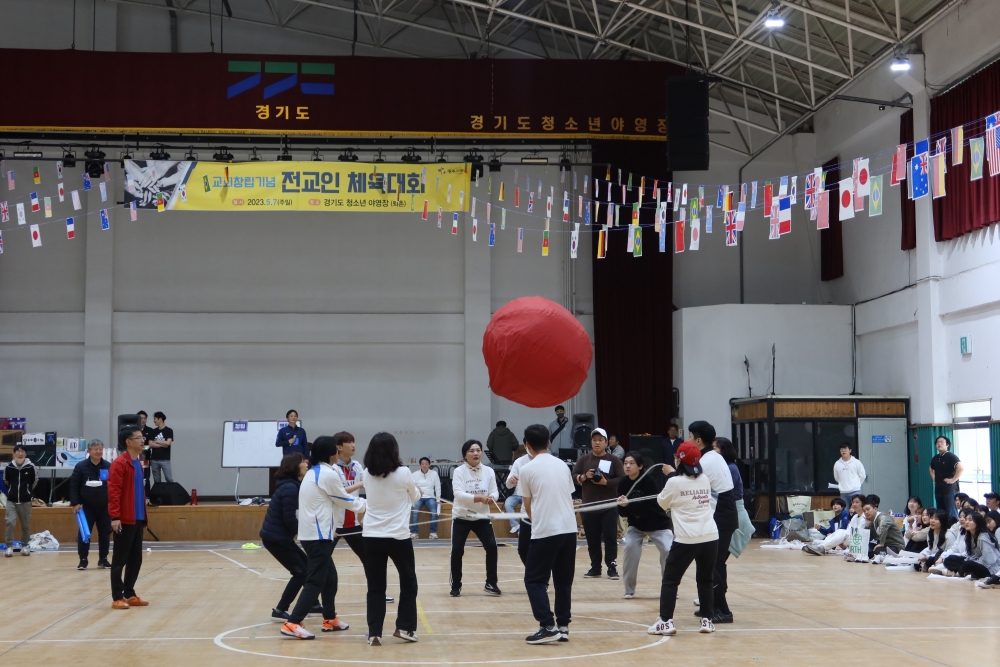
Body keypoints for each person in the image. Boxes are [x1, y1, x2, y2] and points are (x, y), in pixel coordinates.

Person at [280, 436, 365, 640]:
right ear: (332, 453)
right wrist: (371, 506)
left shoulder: (314, 472)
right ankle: (293, 622)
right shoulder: (327, 474)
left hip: (317, 534)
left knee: (330, 578)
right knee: (316, 580)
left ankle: (329, 618)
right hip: (317, 536)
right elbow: (344, 499)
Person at [648, 441, 718, 636]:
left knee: (670, 580)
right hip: (710, 537)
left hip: (687, 539)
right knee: (705, 580)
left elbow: (662, 503)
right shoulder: (704, 478)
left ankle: (665, 622)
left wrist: (671, 474)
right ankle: (707, 620)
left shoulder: (673, 481)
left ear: (678, 459)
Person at [519, 424, 577, 644]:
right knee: (563, 580)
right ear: (549, 442)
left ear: (527, 445)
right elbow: (568, 495)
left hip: (546, 531)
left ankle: (547, 625)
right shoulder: (562, 465)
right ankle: (563, 626)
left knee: (534, 579)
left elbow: (528, 506)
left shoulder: (527, 470)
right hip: (569, 529)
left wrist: (540, 523)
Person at [361, 432, 421, 646]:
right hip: (398, 537)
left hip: (371, 537)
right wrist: (417, 491)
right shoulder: (404, 472)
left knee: (375, 586)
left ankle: (374, 632)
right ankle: (405, 627)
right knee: (409, 582)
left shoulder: (367, 473)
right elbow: (415, 497)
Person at [327, 432, 395, 604]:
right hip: (335, 524)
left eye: (353, 441)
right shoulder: (333, 469)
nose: (353, 445)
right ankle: (313, 600)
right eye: (348, 442)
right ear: (339, 447)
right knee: (321, 561)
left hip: (354, 524)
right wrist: (361, 483)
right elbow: (340, 493)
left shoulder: (358, 466)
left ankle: (378, 592)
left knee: (370, 561)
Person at [686, 421, 737, 624]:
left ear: (698, 440)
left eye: (690, 436)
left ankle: (723, 610)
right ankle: (712, 605)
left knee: (712, 564)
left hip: (721, 515)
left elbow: (688, 483)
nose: (688, 440)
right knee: (713, 563)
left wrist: (671, 473)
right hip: (723, 512)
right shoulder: (712, 456)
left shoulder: (706, 460)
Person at [260, 453, 315, 621]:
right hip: (276, 539)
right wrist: (308, 533)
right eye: (302, 462)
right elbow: (289, 519)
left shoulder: (292, 485)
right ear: (294, 467)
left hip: (281, 537)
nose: (306, 464)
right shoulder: (290, 488)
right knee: (300, 572)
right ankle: (280, 609)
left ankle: (312, 603)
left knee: (306, 567)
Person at [617, 452, 673, 599]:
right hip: (636, 526)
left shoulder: (649, 481)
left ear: (640, 466)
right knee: (629, 548)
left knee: (668, 550)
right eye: (625, 463)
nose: (628, 466)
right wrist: (622, 505)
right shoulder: (623, 483)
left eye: (631, 463)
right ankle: (629, 590)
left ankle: (670, 587)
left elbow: (652, 509)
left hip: (659, 525)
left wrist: (629, 504)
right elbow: (623, 514)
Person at [450, 439, 501, 597]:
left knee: (492, 547)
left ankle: (491, 583)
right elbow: (458, 495)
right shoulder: (459, 472)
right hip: (462, 517)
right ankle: (456, 585)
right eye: (471, 451)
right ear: (465, 455)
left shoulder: (489, 471)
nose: (476, 453)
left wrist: (492, 497)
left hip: (482, 517)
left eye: (478, 450)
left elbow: (495, 491)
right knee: (457, 551)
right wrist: (480, 498)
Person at [573, 428, 625, 579]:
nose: (597, 443)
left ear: (606, 442)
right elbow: (573, 476)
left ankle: (612, 566)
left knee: (610, 537)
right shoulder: (583, 460)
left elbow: (622, 479)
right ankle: (595, 567)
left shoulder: (613, 460)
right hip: (589, 506)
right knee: (592, 539)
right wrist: (583, 477)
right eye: (594, 440)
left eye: (600, 440)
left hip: (608, 506)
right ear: (591, 442)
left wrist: (606, 482)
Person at [108, 427, 149, 608]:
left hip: (137, 518)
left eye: (142, 438)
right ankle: (117, 597)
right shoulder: (120, 463)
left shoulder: (138, 463)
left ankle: (129, 593)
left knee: (135, 559)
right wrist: (115, 517)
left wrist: (144, 518)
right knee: (119, 560)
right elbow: (114, 492)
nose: (142, 440)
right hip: (124, 519)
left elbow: (139, 493)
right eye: (138, 438)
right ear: (128, 442)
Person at [70, 439, 112, 569]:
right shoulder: (80, 466)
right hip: (85, 506)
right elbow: (74, 486)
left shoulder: (108, 466)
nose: (98, 451)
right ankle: (83, 559)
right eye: (95, 449)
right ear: (89, 451)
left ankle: (103, 559)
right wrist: (75, 503)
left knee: (105, 533)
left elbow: (112, 485)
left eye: (100, 449)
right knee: (84, 534)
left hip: (104, 506)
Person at [942, 512, 1000, 580]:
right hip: (976, 562)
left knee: (968, 564)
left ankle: (959, 572)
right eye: (966, 519)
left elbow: (989, 560)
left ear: (978, 523)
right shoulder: (969, 536)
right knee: (949, 559)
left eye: (970, 520)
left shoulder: (983, 537)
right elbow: (972, 555)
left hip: (989, 568)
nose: (966, 522)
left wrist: (972, 562)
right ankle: (963, 572)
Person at [3, 443, 37, 556]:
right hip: (11, 500)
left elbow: (34, 481)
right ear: (14, 453)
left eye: (23, 452)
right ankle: (9, 547)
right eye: (18, 451)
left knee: (26, 525)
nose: (20, 453)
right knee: (10, 522)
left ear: (25, 454)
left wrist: (27, 492)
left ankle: (25, 546)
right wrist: (12, 491)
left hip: (25, 501)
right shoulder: (9, 467)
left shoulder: (31, 467)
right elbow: (6, 481)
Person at [862, 494, 905, 561]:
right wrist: (867, 526)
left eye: (868, 509)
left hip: (896, 546)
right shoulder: (873, 520)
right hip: (885, 545)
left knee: (878, 551)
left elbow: (883, 526)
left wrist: (881, 543)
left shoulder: (883, 517)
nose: (866, 512)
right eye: (864, 511)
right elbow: (868, 537)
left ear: (875, 508)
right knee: (865, 548)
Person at [930, 436, 963, 519]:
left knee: (951, 512)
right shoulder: (936, 458)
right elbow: (931, 467)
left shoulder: (951, 456)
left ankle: (953, 530)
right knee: (940, 513)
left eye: (941, 442)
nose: (939, 444)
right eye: (937, 442)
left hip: (950, 489)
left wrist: (953, 480)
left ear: (947, 444)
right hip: (939, 488)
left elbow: (961, 468)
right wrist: (934, 478)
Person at [411, 457, 440, 539]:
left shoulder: (434, 474)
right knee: (414, 511)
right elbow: (411, 487)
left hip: (430, 497)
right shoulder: (414, 474)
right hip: (418, 497)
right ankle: (414, 533)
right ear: (420, 465)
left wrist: (438, 500)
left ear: (429, 464)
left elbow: (437, 487)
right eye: (423, 464)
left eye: (426, 464)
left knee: (434, 511)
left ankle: (433, 532)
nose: (424, 465)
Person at [504, 449, 532, 537]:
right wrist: (511, 481)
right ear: (526, 446)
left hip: (532, 496)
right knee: (508, 503)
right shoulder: (519, 462)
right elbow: (508, 485)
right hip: (517, 494)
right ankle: (515, 525)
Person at [833, 443, 866, 508]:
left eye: (845, 449)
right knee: (845, 511)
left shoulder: (856, 462)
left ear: (850, 450)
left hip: (855, 491)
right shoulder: (837, 464)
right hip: (843, 492)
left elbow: (862, 475)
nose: (843, 451)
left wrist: (856, 485)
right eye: (841, 449)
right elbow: (836, 477)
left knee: (856, 510)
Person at [148, 411, 174, 484]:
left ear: (160, 419)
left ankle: (170, 494)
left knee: (169, 478)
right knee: (157, 480)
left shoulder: (169, 431)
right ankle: (158, 495)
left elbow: (168, 443)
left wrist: (156, 442)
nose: (154, 421)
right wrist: (163, 444)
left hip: (165, 459)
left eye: (155, 419)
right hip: (154, 459)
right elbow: (150, 444)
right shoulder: (153, 431)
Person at [138, 410, 154, 498]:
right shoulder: (133, 431)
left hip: (146, 457)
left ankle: (147, 496)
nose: (143, 420)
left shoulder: (150, 430)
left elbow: (150, 445)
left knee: (146, 478)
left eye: (144, 418)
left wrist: (142, 447)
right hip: (135, 458)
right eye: (141, 418)